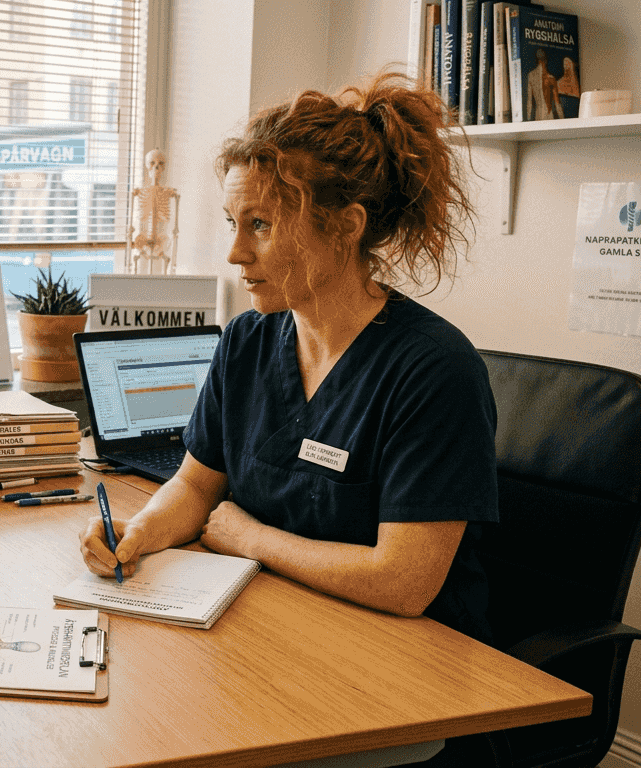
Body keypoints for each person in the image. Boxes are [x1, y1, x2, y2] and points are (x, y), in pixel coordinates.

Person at [79, 71, 499, 648]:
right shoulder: (246, 341)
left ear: (346, 226)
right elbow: (197, 486)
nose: (235, 253)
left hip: (407, 658)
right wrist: (139, 531)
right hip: (278, 624)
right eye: (233, 223)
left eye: (261, 225)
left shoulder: (435, 371)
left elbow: (404, 583)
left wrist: (252, 539)